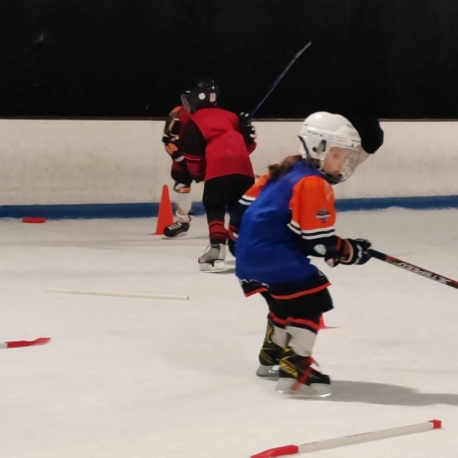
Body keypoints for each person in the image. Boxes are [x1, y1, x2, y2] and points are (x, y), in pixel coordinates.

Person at [230, 112, 383, 397]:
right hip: (274, 256)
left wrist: (240, 244)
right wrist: (350, 251)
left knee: (284, 302)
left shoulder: (283, 171)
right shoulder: (313, 182)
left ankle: (271, 356)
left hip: (248, 257)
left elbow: (240, 209)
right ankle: (295, 366)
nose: (342, 162)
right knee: (313, 299)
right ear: (318, 147)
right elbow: (318, 243)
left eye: (345, 156)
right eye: (337, 154)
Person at [178, 78, 257, 271]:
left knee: (214, 205)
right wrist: (246, 128)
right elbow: (248, 147)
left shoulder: (195, 122)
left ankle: (217, 248)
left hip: (219, 169)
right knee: (241, 209)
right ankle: (251, 249)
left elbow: (193, 157)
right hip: (245, 170)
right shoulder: (231, 116)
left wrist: (198, 174)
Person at [161, 102, 195, 238]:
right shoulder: (178, 112)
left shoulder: (213, 113)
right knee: (181, 185)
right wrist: (179, 158)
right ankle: (183, 221)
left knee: (223, 186)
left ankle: (238, 223)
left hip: (207, 155)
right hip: (185, 157)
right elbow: (167, 139)